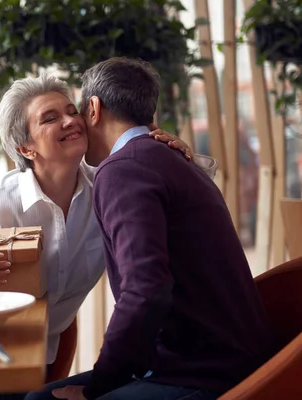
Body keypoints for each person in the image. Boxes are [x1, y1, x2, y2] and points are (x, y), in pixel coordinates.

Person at [0, 73, 199, 400]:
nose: (72, 120)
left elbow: (182, 207)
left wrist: (178, 156)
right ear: (25, 147)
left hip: (40, 359)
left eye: (73, 111)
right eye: (51, 118)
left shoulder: (113, 187)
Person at [27, 58, 275, 400]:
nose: (76, 123)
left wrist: (98, 387)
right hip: (223, 360)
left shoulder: (123, 169)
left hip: (202, 375)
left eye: (78, 110)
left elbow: (145, 289)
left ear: (94, 109)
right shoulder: (167, 157)